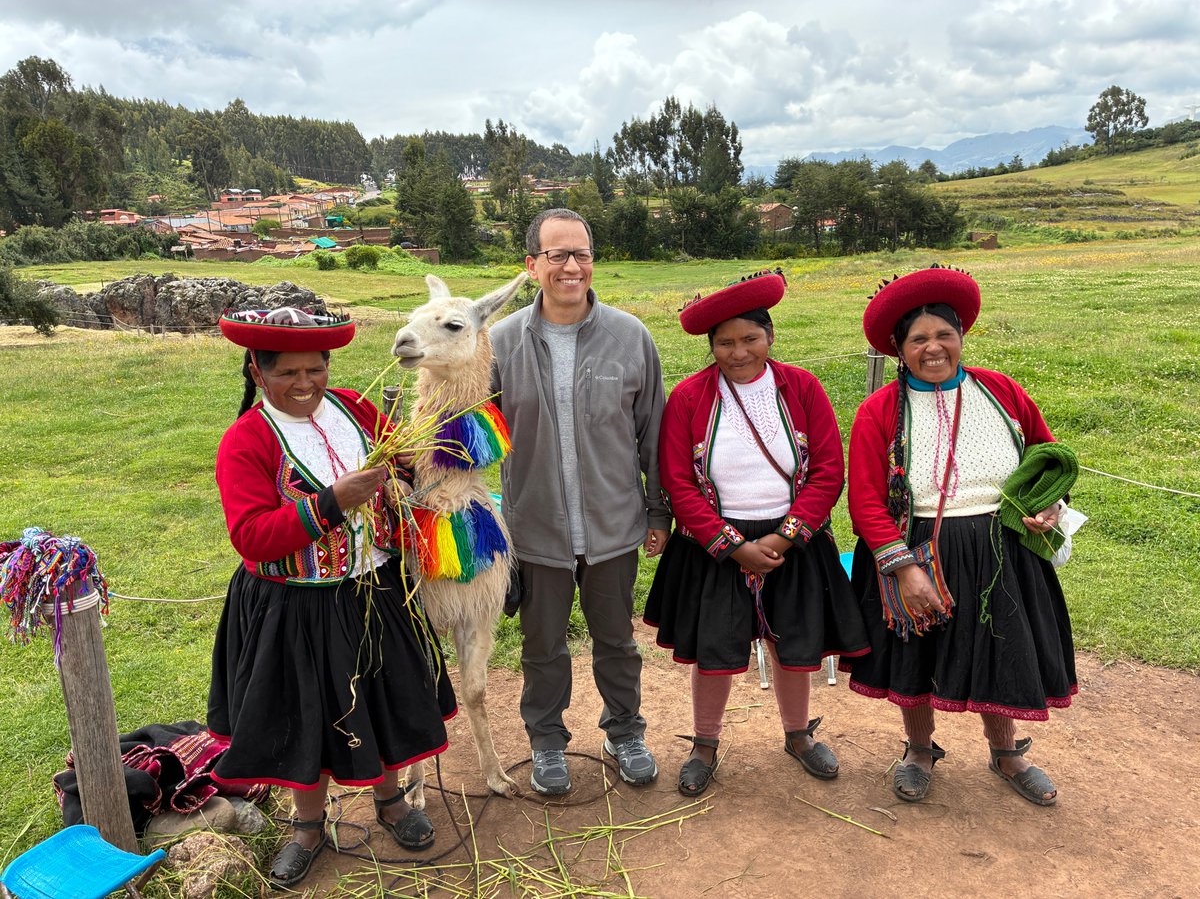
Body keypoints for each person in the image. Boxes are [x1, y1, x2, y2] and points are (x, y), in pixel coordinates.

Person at [208, 307, 457, 889]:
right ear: (257, 371)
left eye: (315, 369)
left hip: (376, 590)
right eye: (288, 373)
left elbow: (399, 461)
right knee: (307, 716)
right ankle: (308, 826)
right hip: (297, 606)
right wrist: (331, 503)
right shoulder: (248, 440)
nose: (304, 384)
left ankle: (392, 803)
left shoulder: (355, 407)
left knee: (382, 700)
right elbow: (251, 537)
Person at [842, 264, 1076, 806]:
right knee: (917, 658)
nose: (933, 348)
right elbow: (867, 501)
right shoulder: (880, 411)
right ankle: (919, 749)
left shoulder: (1001, 391)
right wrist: (903, 568)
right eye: (918, 339)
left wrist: (1048, 507)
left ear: (962, 337)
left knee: (1003, 650)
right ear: (898, 348)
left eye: (944, 335)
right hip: (919, 549)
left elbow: (1046, 457)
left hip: (1003, 552)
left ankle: (1007, 752)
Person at [644, 271, 871, 796]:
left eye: (750, 338)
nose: (738, 351)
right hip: (716, 545)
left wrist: (785, 538)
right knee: (715, 650)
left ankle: (798, 734)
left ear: (770, 337)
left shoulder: (803, 388)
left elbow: (828, 471)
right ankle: (705, 742)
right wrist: (733, 546)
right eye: (725, 342)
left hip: (794, 541)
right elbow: (679, 482)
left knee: (794, 642)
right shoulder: (689, 398)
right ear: (711, 346)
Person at [490, 208, 671, 795]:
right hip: (535, 526)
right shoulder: (501, 342)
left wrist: (659, 510)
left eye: (582, 254)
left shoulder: (630, 336)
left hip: (615, 522)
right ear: (532, 265)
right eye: (558, 255)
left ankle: (626, 730)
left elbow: (654, 434)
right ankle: (546, 741)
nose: (572, 266)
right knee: (543, 645)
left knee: (616, 639)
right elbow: (472, 430)